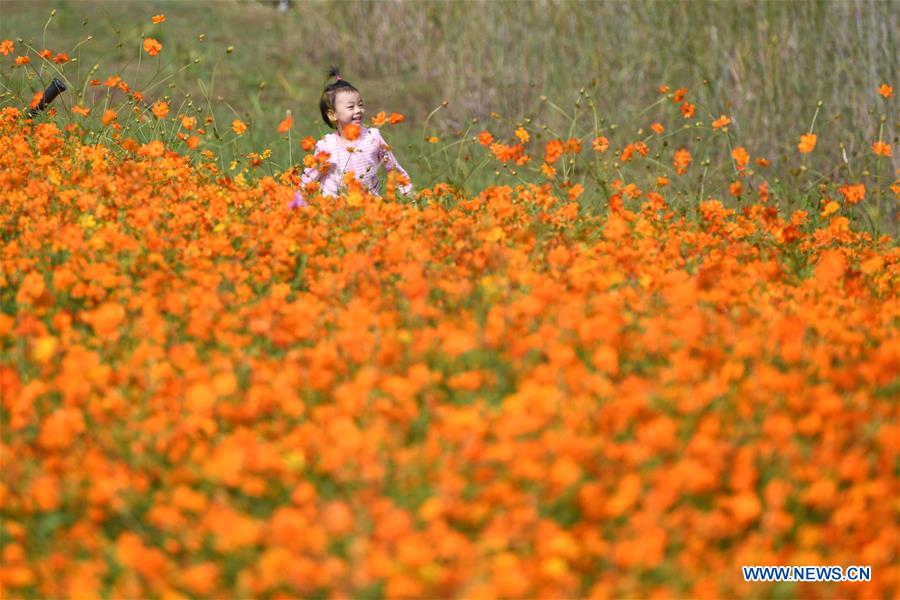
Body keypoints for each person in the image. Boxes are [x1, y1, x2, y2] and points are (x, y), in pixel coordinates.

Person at [295, 66, 412, 203]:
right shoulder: (327, 146)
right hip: (334, 208)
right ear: (332, 114)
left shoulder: (372, 137)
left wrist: (408, 196)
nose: (358, 110)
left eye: (360, 105)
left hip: (369, 205)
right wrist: (297, 203)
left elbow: (394, 169)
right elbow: (310, 178)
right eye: (351, 107)